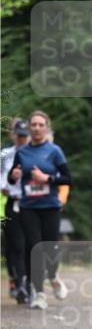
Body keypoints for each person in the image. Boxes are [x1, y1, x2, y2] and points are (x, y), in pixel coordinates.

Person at [9, 110, 71, 309]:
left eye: (40, 125)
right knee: (34, 247)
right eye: (33, 125)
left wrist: (48, 179)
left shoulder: (55, 151)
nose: (36, 128)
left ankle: (52, 275)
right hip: (28, 207)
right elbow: (12, 177)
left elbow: (68, 178)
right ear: (29, 128)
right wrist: (14, 175)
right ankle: (40, 294)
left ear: (46, 128)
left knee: (50, 248)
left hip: (50, 207)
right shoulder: (23, 151)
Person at [1, 118, 29, 301]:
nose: (22, 139)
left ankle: (27, 283)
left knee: (28, 244)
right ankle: (18, 282)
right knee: (15, 245)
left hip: (31, 203)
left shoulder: (35, 153)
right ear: (13, 135)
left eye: (24, 136)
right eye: (19, 135)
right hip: (11, 202)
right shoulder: (5, 154)